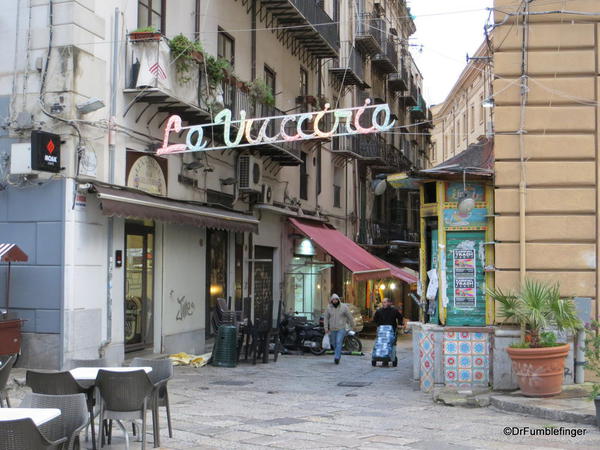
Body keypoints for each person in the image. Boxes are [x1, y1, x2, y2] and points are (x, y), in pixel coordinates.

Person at [324, 293, 354, 364]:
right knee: (333, 343)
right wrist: (326, 328)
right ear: (331, 300)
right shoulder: (328, 307)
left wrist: (352, 325)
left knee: (338, 342)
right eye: (333, 299)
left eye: (336, 299)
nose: (334, 301)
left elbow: (349, 316)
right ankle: (338, 354)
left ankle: (336, 357)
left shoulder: (344, 307)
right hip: (332, 329)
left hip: (341, 328)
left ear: (338, 300)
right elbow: (326, 318)